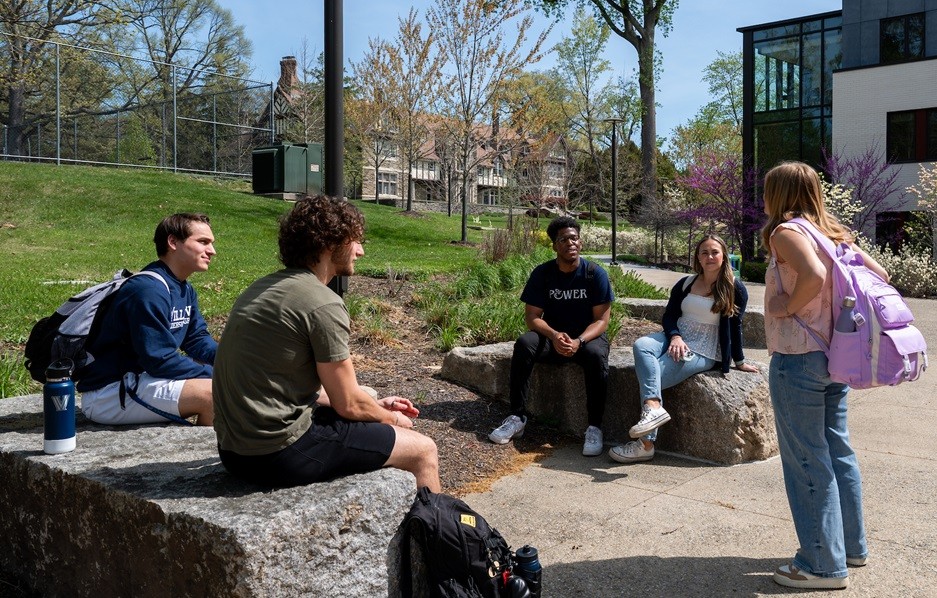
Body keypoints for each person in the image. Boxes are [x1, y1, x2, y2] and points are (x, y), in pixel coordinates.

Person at [212, 196, 440, 490]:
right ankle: (438, 534)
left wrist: (372, 404)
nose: (360, 251)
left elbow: (283, 389)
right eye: (355, 241)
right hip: (279, 454)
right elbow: (348, 405)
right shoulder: (322, 303)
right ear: (331, 244)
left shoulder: (261, 288)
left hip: (233, 452)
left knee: (366, 395)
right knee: (423, 450)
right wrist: (392, 418)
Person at [761, 161, 889, 591]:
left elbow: (813, 277)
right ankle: (850, 548)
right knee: (838, 453)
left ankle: (821, 564)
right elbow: (881, 276)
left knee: (806, 460)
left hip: (799, 358)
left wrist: (786, 306)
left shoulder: (786, 232)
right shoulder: (833, 234)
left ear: (778, 193)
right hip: (836, 357)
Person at [608, 234, 758, 464]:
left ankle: (646, 444)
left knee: (653, 372)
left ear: (723, 255)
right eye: (704, 252)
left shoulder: (734, 288)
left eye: (714, 252)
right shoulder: (686, 283)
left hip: (704, 349)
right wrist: (675, 336)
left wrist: (739, 361)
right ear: (697, 256)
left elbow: (736, 326)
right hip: (676, 337)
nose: (709, 256)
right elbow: (669, 316)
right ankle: (654, 409)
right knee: (642, 345)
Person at [488, 216, 614, 457]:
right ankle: (517, 417)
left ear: (581, 242)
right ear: (555, 246)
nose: (571, 243)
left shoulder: (594, 274)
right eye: (564, 239)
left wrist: (579, 341)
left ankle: (594, 427)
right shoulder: (543, 274)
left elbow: (601, 320)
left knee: (596, 354)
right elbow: (532, 317)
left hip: (587, 339)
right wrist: (555, 335)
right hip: (552, 337)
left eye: (574, 238)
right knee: (525, 343)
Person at [78, 213, 218, 426]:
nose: (212, 251)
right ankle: (200, 455)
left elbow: (197, 339)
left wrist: (231, 361)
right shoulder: (148, 290)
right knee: (216, 394)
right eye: (203, 242)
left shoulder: (184, 288)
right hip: (111, 393)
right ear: (173, 242)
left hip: (144, 379)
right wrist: (219, 375)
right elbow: (159, 360)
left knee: (225, 383)